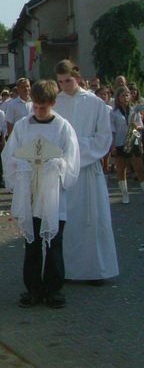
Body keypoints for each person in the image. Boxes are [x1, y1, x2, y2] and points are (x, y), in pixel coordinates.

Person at [2, 80, 80, 308]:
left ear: (53, 103)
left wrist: (57, 165)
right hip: (30, 193)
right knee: (32, 242)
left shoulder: (62, 127)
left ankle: (54, 289)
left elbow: (72, 158)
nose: (38, 111)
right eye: (35, 106)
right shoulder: (23, 126)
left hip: (53, 195)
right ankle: (33, 289)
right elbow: (10, 155)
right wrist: (21, 165)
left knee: (54, 242)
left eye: (43, 107)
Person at [53, 60, 119, 283]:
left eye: (68, 81)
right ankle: (66, 270)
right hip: (64, 172)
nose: (64, 86)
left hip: (88, 171)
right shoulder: (56, 103)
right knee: (67, 223)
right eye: (60, 82)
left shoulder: (95, 103)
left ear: (78, 78)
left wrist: (76, 149)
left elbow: (103, 138)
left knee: (92, 222)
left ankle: (95, 271)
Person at [110, 86, 144, 204]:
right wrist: (113, 146)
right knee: (121, 169)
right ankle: (125, 195)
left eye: (127, 95)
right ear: (118, 97)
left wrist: (136, 126)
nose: (125, 97)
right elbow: (112, 130)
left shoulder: (134, 110)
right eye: (123, 95)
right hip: (120, 142)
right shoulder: (113, 113)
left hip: (133, 139)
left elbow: (141, 125)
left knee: (139, 168)